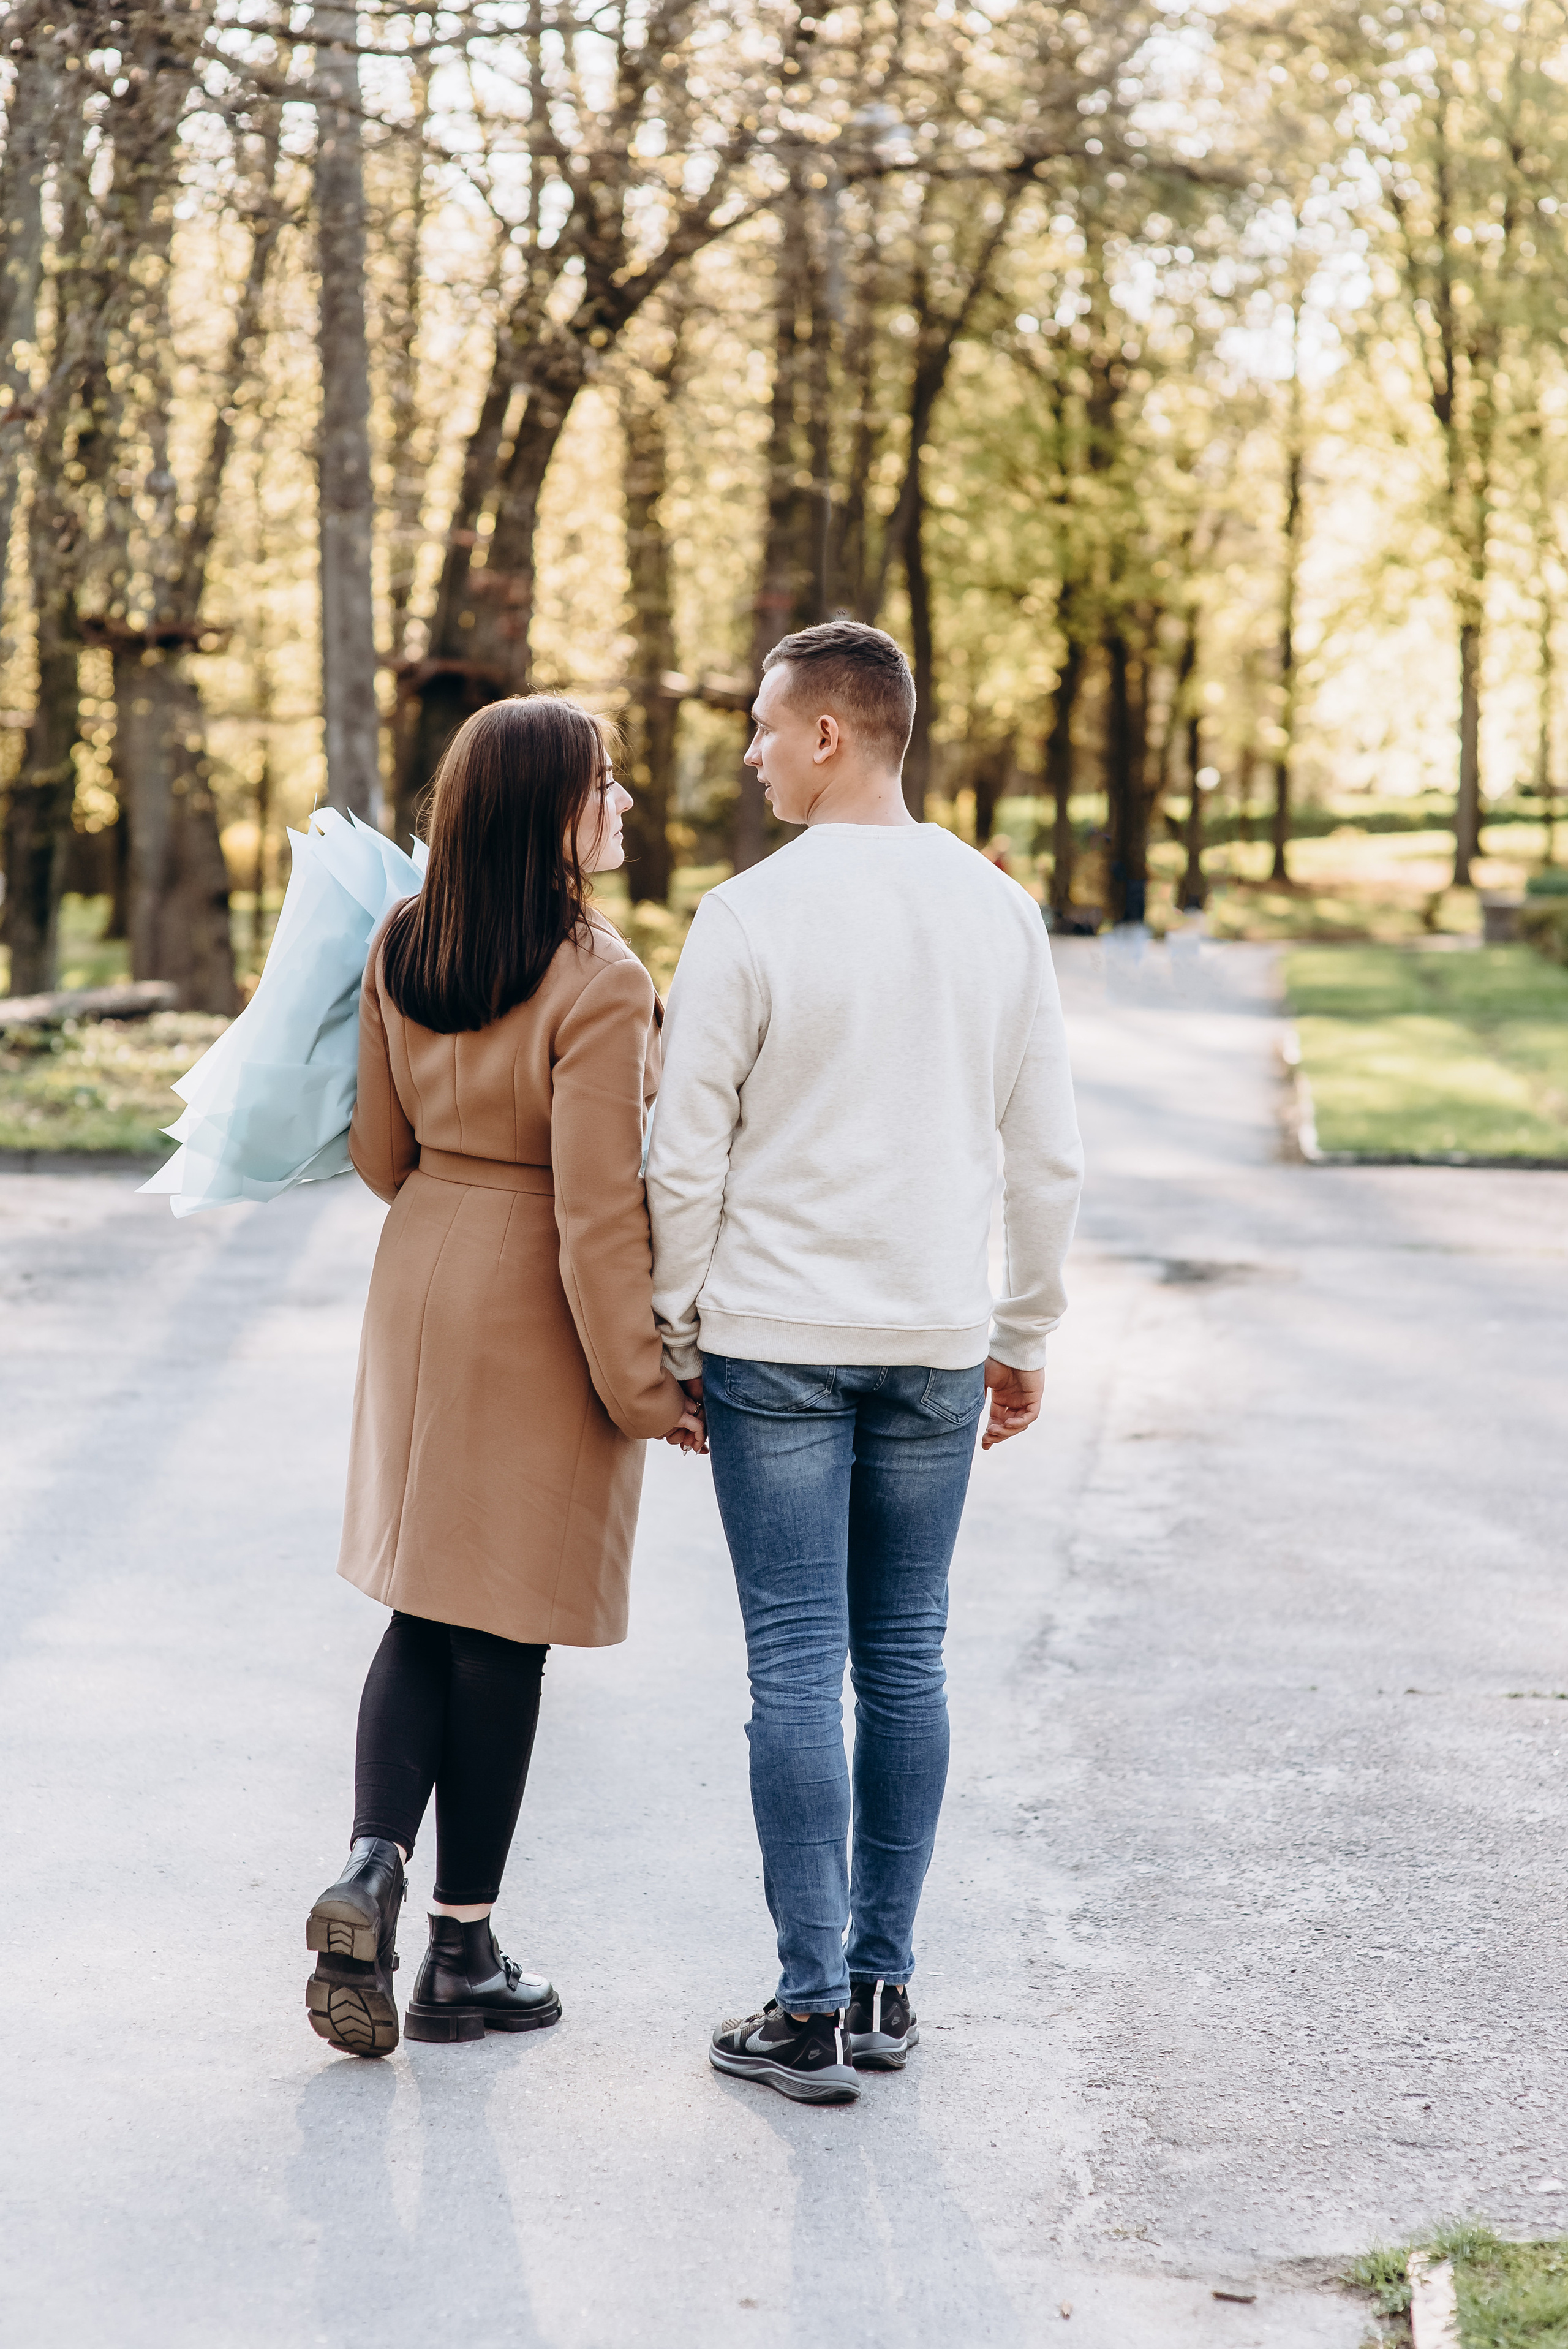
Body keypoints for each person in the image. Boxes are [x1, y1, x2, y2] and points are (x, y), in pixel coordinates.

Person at [646, 621, 1083, 2106]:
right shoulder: (995, 913)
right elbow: (1048, 1156)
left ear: (831, 734)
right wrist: (1019, 1331)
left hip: (774, 1341)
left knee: (794, 1664)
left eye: (766, 725)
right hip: (931, 1345)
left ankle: (809, 2003)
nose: (753, 749)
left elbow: (682, 1152)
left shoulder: (747, 918)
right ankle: (886, 1983)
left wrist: (675, 1329)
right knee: (905, 1658)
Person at [305, 695, 704, 2057]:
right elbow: (600, 1219)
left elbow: (374, 1151)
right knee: (506, 1630)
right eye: (608, 783)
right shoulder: (601, 978)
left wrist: (448, 1200)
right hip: (534, 1299)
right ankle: (460, 1955)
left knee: (428, 1601)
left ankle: (369, 1865)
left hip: (418, 1277)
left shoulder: (400, 940)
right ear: (553, 810)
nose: (625, 804)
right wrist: (649, 1389)